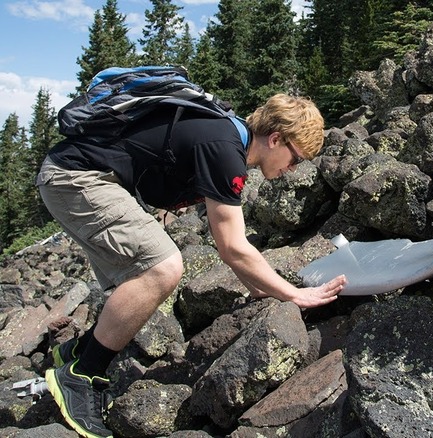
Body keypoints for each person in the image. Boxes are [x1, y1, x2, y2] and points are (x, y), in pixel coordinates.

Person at [36, 94, 347, 438]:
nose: (293, 169)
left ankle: (76, 351)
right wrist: (295, 295)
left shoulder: (228, 138)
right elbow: (232, 246)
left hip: (79, 176)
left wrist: (262, 288)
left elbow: (230, 242)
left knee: (135, 281)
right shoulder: (224, 148)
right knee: (161, 267)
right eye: (295, 158)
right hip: (78, 179)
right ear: (276, 139)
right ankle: (81, 376)